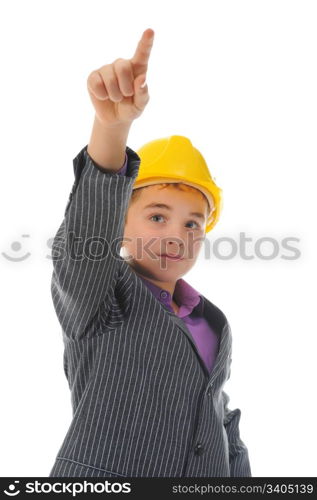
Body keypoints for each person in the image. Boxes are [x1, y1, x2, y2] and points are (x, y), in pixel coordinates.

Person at [49, 28, 251, 477]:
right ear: (119, 223)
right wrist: (112, 127)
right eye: (157, 217)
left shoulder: (211, 322)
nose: (177, 235)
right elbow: (84, 240)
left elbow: (218, 421)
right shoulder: (100, 296)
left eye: (192, 223)